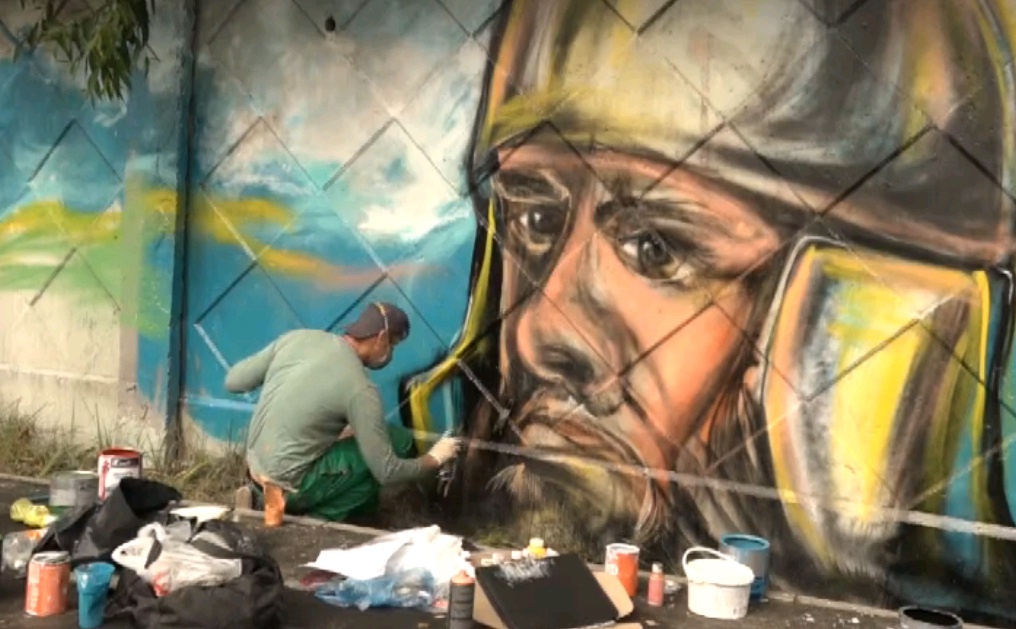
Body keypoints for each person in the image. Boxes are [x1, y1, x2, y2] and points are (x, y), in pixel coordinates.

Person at [227, 302, 461, 522]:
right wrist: (435, 458)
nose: (390, 353)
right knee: (396, 445)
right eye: (392, 345)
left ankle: (257, 497)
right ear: (381, 337)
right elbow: (387, 471)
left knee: (385, 438)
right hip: (291, 487)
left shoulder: (297, 339)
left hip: (254, 471)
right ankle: (317, 521)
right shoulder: (360, 388)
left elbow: (233, 381)